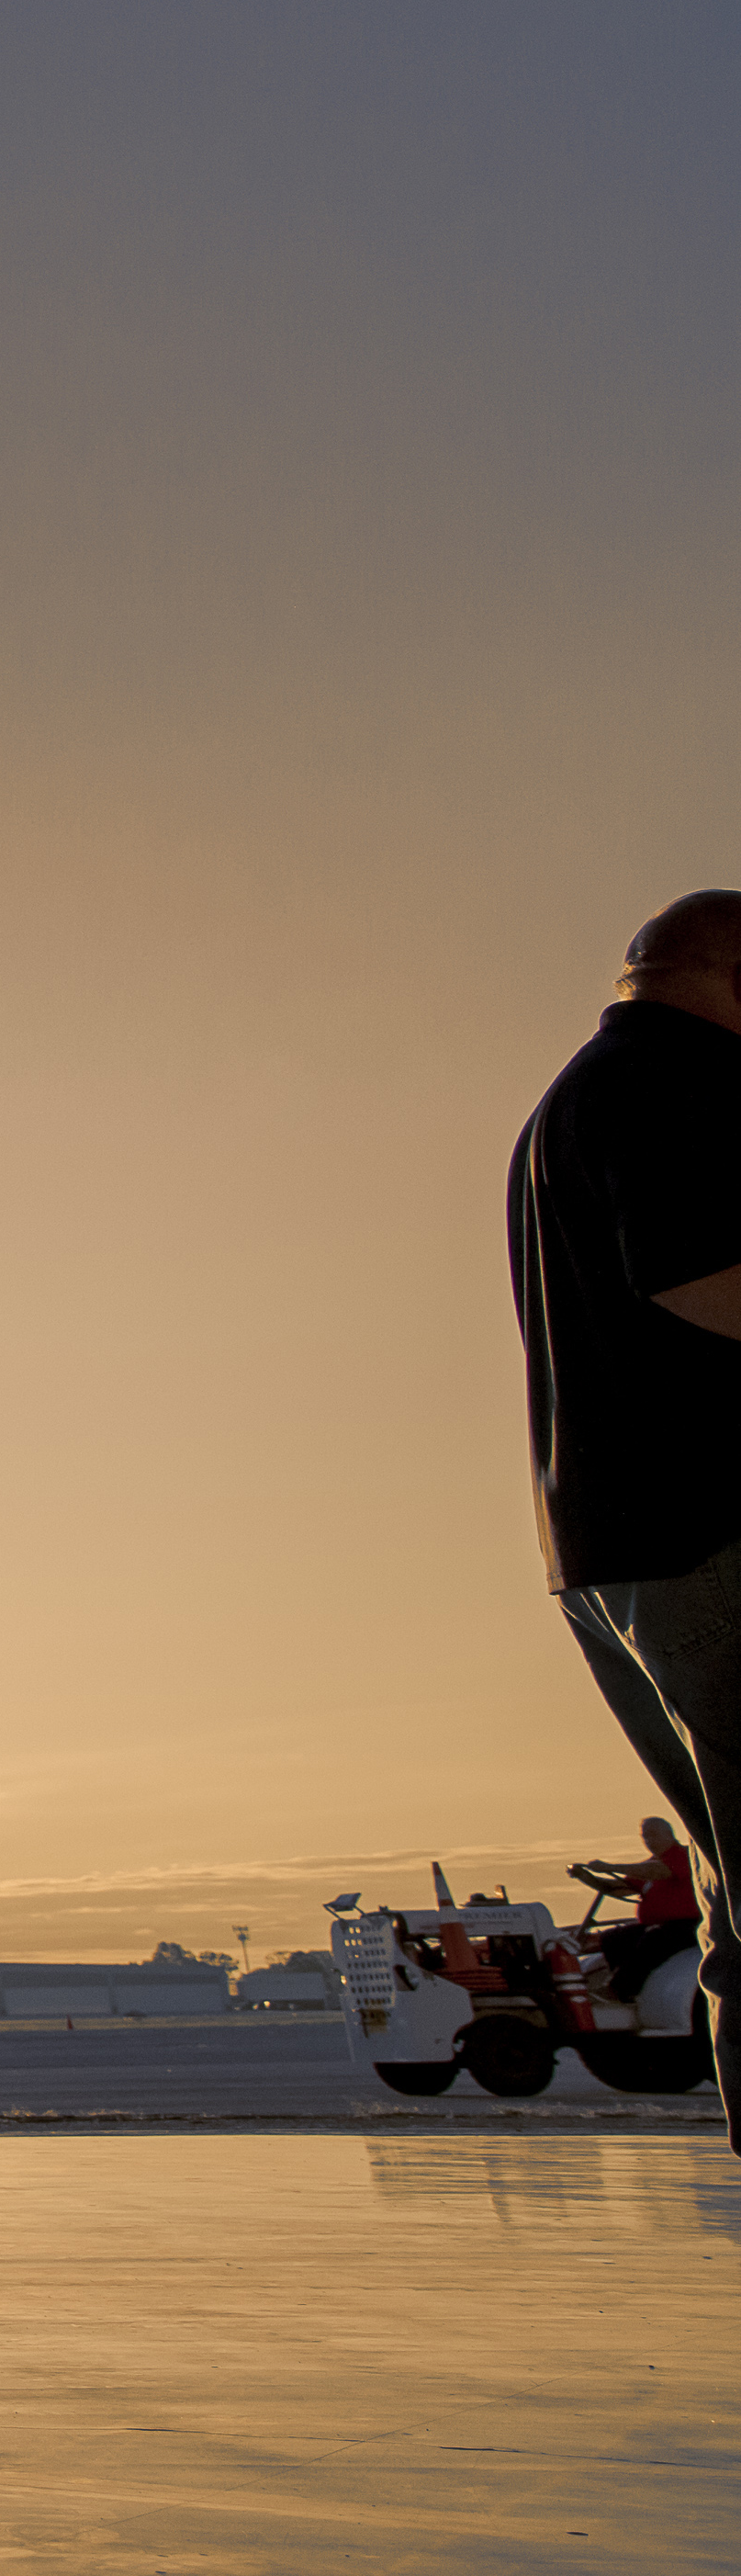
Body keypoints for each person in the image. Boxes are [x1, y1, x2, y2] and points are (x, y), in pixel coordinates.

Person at [511, 890, 741, 2149]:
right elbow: (704, 1275)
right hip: (710, 1535)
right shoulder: (674, 1083)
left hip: (613, 1549)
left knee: (735, 1888)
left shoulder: (573, 1100)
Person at [579, 1815, 702, 1995]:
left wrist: (611, 1867)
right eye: (645, 1836)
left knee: (653, 1940)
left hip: (687, 1926)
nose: (649, 1841)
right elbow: (618, 1889)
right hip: (658, 1925)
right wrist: (585, 1876)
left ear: (670, 1834)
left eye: (653, 1835)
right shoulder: (647, 1866)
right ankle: (597, 1983)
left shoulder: (683, 1856)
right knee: (613, 1938)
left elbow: (659, 1872)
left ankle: (620, 1989)